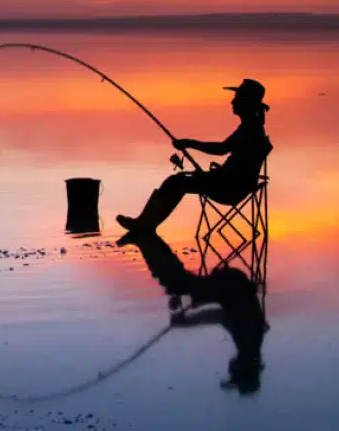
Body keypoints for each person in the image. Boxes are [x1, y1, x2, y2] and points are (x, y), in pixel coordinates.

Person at [116, 78, 272, 234]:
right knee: (176, 180)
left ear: (247, 103)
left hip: (228, 188)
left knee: (177, 182)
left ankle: (145, 225)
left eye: (237, 98)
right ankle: (145, 222)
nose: (232, 102)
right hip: (229, 183)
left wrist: (190, 143)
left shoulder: (250, 129)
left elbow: (222, 149)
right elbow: (229, 154)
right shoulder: (251, 126)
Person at [119, 232, 267, 394]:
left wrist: (198, 305)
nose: (230, 370)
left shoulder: (250, 342)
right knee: (174, 282)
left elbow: (225, 313)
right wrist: (188, 319)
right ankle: (146, 240)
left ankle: (147, 241)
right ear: (244, 370)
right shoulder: (248, 340)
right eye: (234, 373)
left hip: (228, 286)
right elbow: (219, 315)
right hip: (228, 284)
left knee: (176, 283)